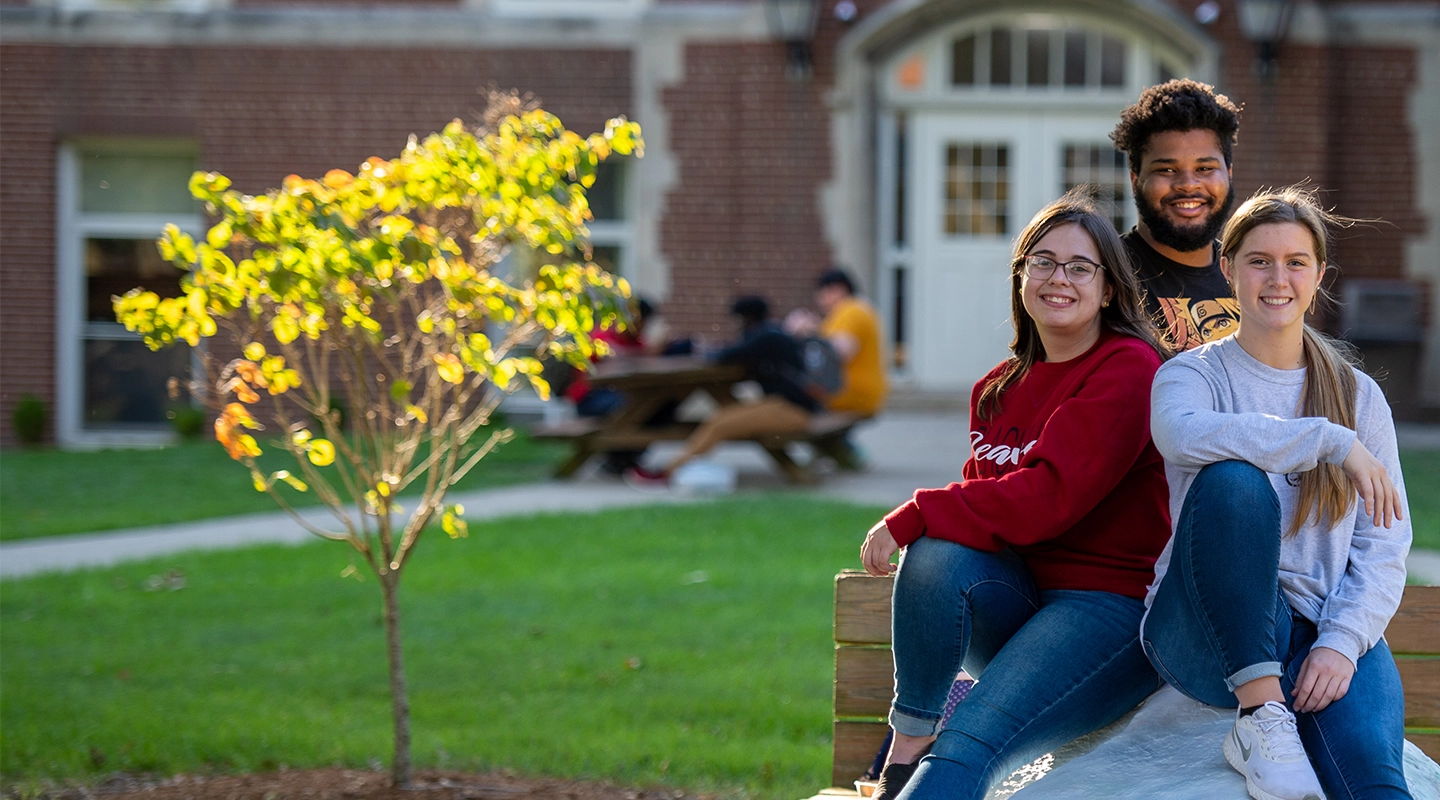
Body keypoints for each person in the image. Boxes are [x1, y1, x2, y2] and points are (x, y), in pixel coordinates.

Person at [858, 190, 1173, 800]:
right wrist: (931, 522)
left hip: (1108, 614)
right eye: (1044, 262)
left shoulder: (1129, 368)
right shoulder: (997, 389)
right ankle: (909, 740)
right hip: (1023, 605)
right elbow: (981, 523)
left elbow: (1048, 498)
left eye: (1081, 267)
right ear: (1021, 275)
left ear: (1108, 289)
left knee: (969, 745)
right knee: (937, 551)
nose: (1060, 279)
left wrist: (917, 511)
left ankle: (932, 764)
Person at [1142, 186, 1412, 800]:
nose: (1277, 278)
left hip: (1318, 628)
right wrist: (1326, 441)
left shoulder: (1358, 395)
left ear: (1319, 274)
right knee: (1234, 482)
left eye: (1296, 262)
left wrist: (1342, 646)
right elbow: (1180, 435)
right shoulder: (1191, 374)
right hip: (1205, 632)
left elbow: (1385, 541)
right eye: (1259, 260)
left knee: (1376, 783)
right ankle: (1258, 716)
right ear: (1228, 267)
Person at [625, 295, 818, 486]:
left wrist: (701, 348)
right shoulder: (774, 333)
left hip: (792, 410)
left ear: (746, 317)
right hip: (783, 405)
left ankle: (667, 473)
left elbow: (728, 355)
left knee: (720, 425)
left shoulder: (766, 336)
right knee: (719, 419)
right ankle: (672, 468)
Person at [1111, 79, 1243, 350]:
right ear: (1135, 179)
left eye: (1205, 168)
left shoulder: (1249, 275)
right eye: (1167, 170)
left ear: (1228, 174)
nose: (1188, 184)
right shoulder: (1107, 275)